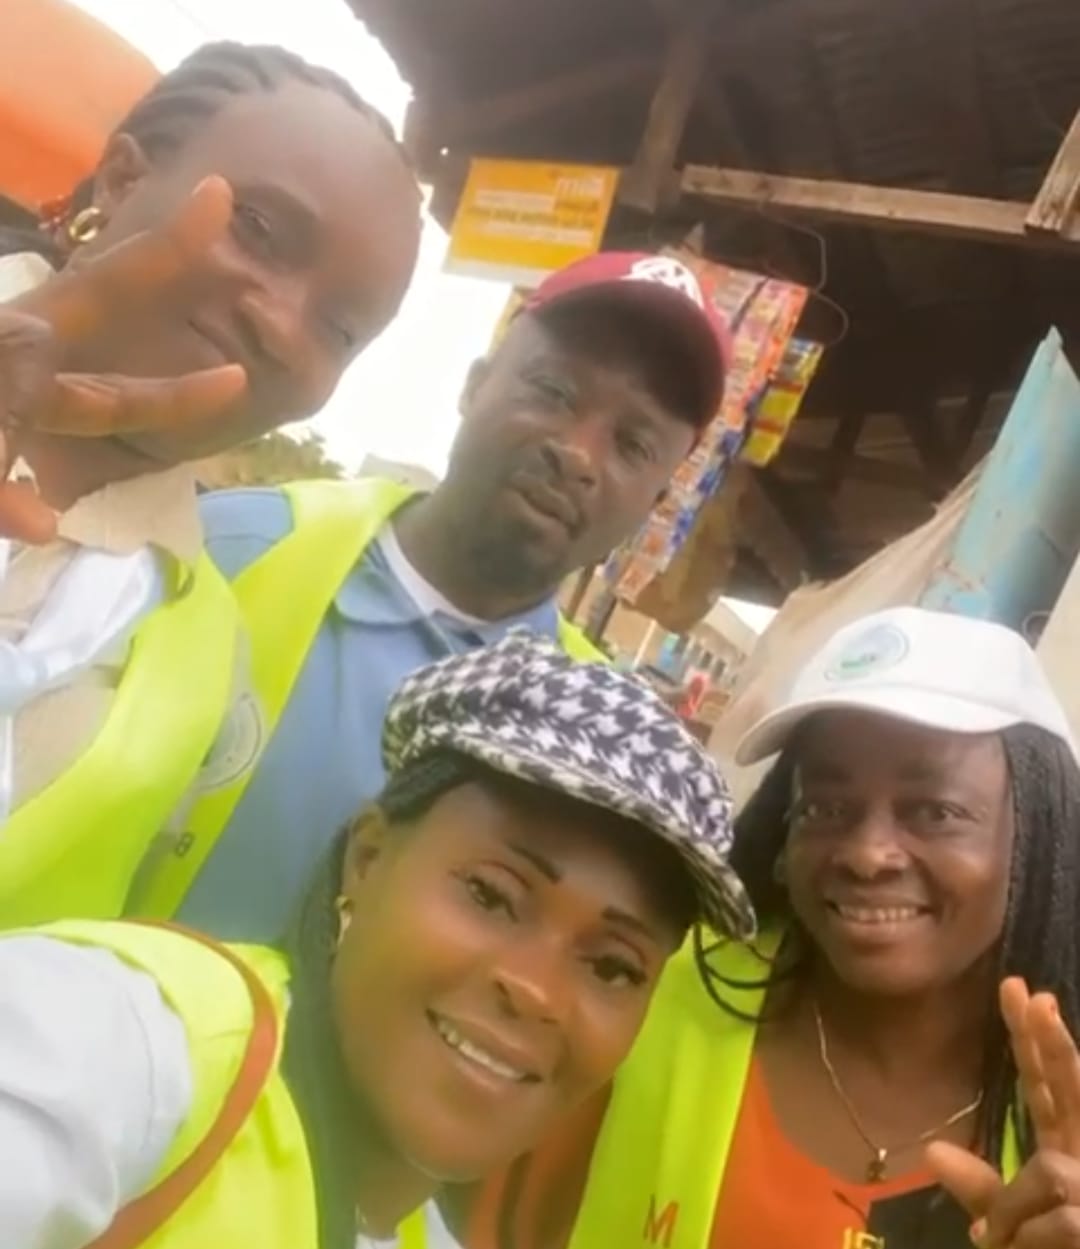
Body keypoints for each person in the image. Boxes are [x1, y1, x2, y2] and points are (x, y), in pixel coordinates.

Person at [0, 631, 755, 1249]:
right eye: (492, 895)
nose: (537, 990)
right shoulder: (131, 1052)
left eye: (615, 967)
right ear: (366, 858)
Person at [458, 607, 1080, 1249]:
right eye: (825, 807)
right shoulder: (649, 991)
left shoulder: (1066, 1128)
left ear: (1039, 836)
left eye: (936, 811)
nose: (868, 854)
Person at [164, 250, 732, 939]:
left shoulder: (601, 741)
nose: (579, 454)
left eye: (633, 444)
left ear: (657, 502)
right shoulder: (227, 549)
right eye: (554, 391)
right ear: (474, 385)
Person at [0, 41, 421, 925]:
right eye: (258, 228)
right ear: (122, 178)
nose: (280, 325)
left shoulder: (200, 653)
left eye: (340, 328)